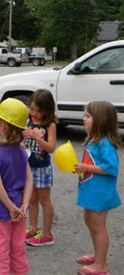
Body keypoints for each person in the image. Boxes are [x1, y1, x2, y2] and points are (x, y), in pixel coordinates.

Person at [74, 101, 121, 275]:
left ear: (100, 120)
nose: (83, 118)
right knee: (89, 221)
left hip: (100, 194)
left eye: (87, 116)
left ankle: (101, 266)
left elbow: (111, 167)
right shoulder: (94, 140)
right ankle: (98, 256)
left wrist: (86, 168)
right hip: (92, 191)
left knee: (98, 227)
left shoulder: (104, 144)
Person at [0, 98, 33, 275]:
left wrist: (11, 208)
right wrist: (24, 205)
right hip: (19, 210)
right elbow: (29, 179)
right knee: (17, 250)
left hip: (0, 212)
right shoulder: (21, 151)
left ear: (3, 125)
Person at [23, 89, 57, 247]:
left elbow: (51, 148)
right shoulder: (28, 120)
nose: (34, 113)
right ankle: (34, 228)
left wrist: (37, 138)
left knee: (44, 200)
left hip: (42, 168)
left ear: (47, 110)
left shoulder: (49, 125)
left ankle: (47, 233)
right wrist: (22, 136)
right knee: (32, 200)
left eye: (39, 110)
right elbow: (22, 142)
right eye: (32, 109)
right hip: (29, 167)